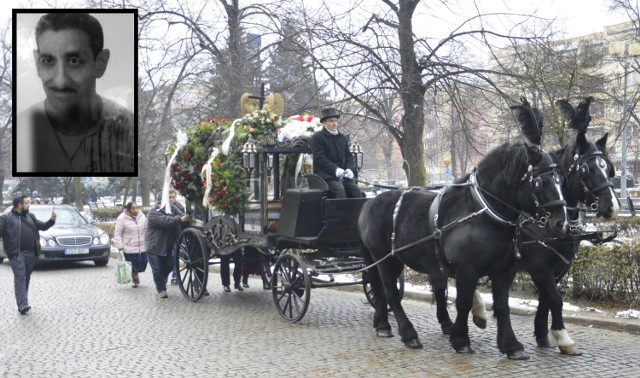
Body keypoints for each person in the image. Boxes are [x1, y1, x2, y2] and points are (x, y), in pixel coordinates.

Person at [16, 12, 134, 173]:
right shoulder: (20, 131)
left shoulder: (129, 131)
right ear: (37, 63)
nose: (60, 81)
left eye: (74, 61)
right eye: (48, 61)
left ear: (100, 63)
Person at [0, 194, 56, 314]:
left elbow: (42, 226)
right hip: (16, 254)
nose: (28, 205)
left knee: (26, 277)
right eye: (26, 203)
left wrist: (51, 221)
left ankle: (23, 301)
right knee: (20, 277)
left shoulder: (30, 216)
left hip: (31, 253)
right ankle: (22, 305)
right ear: (19, 205)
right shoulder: (6, 218)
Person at [145, 196, 191, 298]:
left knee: (169, 266)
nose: (167, 203)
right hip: (154, 246)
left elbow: (181, 215)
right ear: (159, 202)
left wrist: (186, 217)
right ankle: (161, 289)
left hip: (167, 245)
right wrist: (180, 219)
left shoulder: (172, 208)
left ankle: (162, 281)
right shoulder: (153, 212)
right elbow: (166, 221)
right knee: (157, 269)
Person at [310, 107, 361, 198]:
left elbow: (348, 156)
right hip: (325, 176)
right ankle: (341, 212)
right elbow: (320, 158)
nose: (334, 123)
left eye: (335, 121)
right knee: (339, 191)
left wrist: (350, 169)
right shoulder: (317, 137)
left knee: (356, 190)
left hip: (343, 175)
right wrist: (335, 169)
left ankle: (357, 212)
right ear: (324, 123)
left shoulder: (342, 138)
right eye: (331, 121)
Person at [114, 202, 147, 288]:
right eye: (133, 208)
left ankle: (136, 275)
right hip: (129, 247)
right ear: (128, 209)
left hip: (142, 246)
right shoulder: (121, 218)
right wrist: (120, 245)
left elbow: (147, 229)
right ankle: (135, 279)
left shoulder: (142, 217)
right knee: (134, 264)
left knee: (143, 263)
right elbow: (118, 233)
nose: (136, 210)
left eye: (137, 208)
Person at [168, 189, 184, 285]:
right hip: (165, 236)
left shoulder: (180, 207)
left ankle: (175, 276)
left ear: (176, 197)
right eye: (169, 197)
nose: (171, 199)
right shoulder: (164, 207)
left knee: (175, 256)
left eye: (173, 197)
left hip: (176, 235)